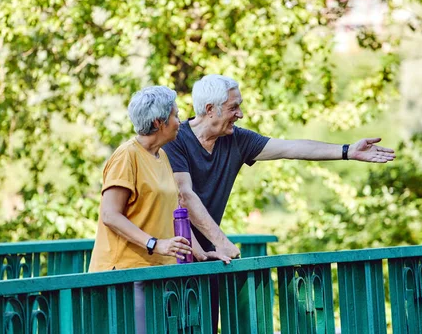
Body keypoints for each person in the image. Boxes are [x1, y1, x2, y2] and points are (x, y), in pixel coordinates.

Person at [162, 74, 396, 331]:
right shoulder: (176, 140)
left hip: (211, 258)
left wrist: (347, 151)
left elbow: (290, 148)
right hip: (171, 256)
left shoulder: (237, 140)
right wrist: (221, 240)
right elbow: (184, 195)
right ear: (209, 110)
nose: (240, 114)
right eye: (233, 107)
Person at [88, 86, 230, 334]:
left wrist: (200, 253)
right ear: (159, 122)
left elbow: (175, 213)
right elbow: (110, 215)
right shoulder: (126, 157)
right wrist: (155, 243)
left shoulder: (161, 156)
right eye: (175, 116)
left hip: (159, 272)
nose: (179, 122)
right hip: (127, 275)